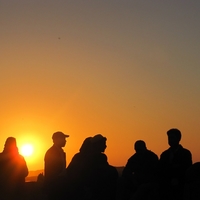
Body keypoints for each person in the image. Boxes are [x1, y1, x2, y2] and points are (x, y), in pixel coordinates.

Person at [159, 128, 192, 200]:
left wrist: (177, 179)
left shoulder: (185, 153)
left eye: (172, 138)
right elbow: (160, 169)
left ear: (178, 139)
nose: (170, 140)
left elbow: (187, 169)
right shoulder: (165, 154)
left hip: (181, 183)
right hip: (166, 183)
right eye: (169, 138)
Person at [88, 134, 119, 200]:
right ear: (97, 145)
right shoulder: (93, 158)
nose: (105, 146)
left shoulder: (99, 157)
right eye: (103, 144)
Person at [44, 131, 69, 200]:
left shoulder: (61, 152)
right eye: (63, 139)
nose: (65, 141)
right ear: (57, 140)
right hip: (55, 185)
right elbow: (51, 171)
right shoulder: (51, 152)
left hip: (60, 185)